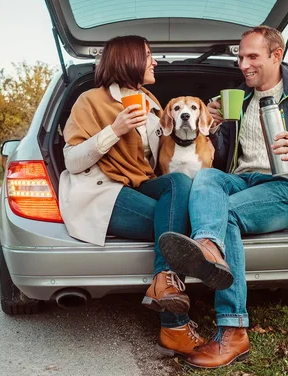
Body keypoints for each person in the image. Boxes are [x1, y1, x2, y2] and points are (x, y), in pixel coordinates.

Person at [158, 25, 288, 369]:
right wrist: (215, 129)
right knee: (206, 177)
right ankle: (209, 246)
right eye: (240, 57)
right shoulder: (241, 96)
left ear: (276, 55)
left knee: (226, 214)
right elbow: (225, 154)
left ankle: (232, 330)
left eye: (252, 57)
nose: (243, 65)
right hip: (244, 180)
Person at [59, 35, 211, 356]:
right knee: (177, 228)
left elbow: (162, 156)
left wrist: (207, 122)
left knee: (178, 184)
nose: (155, 62)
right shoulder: (90, 101)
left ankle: (162, 282)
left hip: (140, 184)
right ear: (128, 60)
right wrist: (114, 129)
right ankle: (175, 325)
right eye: (148, 55)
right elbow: (72, 160)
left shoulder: (152, 103)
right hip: (104, 191)